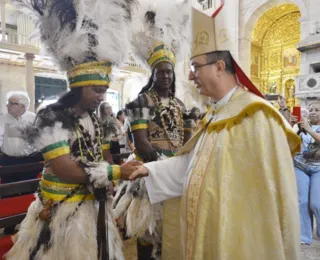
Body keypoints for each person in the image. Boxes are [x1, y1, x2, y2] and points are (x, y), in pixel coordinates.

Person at [122, 5, 301, 260]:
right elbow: (193, 165)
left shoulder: (256, 116)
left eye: (196, 66)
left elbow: (271, 199)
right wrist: (150, 169)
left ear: (219, 67)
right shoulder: (214, 115)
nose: (191, 76)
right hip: (207, 231)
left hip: (240, 239)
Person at [6, 0, 140, 259]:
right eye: (97, 91)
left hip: (93, 204)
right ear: (78, 87)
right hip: (60, 209)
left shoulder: (98, 117)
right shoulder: (51, 116)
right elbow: (63, 168)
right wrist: (114, 172)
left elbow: (104, 153)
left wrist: (110, 176)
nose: (102, 97)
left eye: (104, 91)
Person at [113, 1, 193, 259]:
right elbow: (142, 142)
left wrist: (183, 163)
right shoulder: (140, 102)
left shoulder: (181, 105)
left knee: (171, 230)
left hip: (176, 171)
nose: (166, 77)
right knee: (146, 228)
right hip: (150, 169)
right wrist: (162, 164)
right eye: (161, 73)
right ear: (153, 74)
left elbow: (187, 139)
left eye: (169, 72)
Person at [0, 91, 42, 184]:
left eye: (11, 103)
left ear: (22, 106)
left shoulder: (34, 119)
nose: (7, 106)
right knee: (7, 190)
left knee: (28, 188)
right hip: (7, 161)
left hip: (29, 161)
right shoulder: (2, 118)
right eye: (8, 103)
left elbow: (40, 139)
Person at [294, 101, 320, 245]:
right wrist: (292, 124)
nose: (313, 112)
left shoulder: (308, 127)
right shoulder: (301, 124)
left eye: (317, 109)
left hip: (318, 168)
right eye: (311, 109)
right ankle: (304, 236)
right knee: (302, 202)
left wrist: (309, 129)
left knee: (316, 204)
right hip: (300, 166)